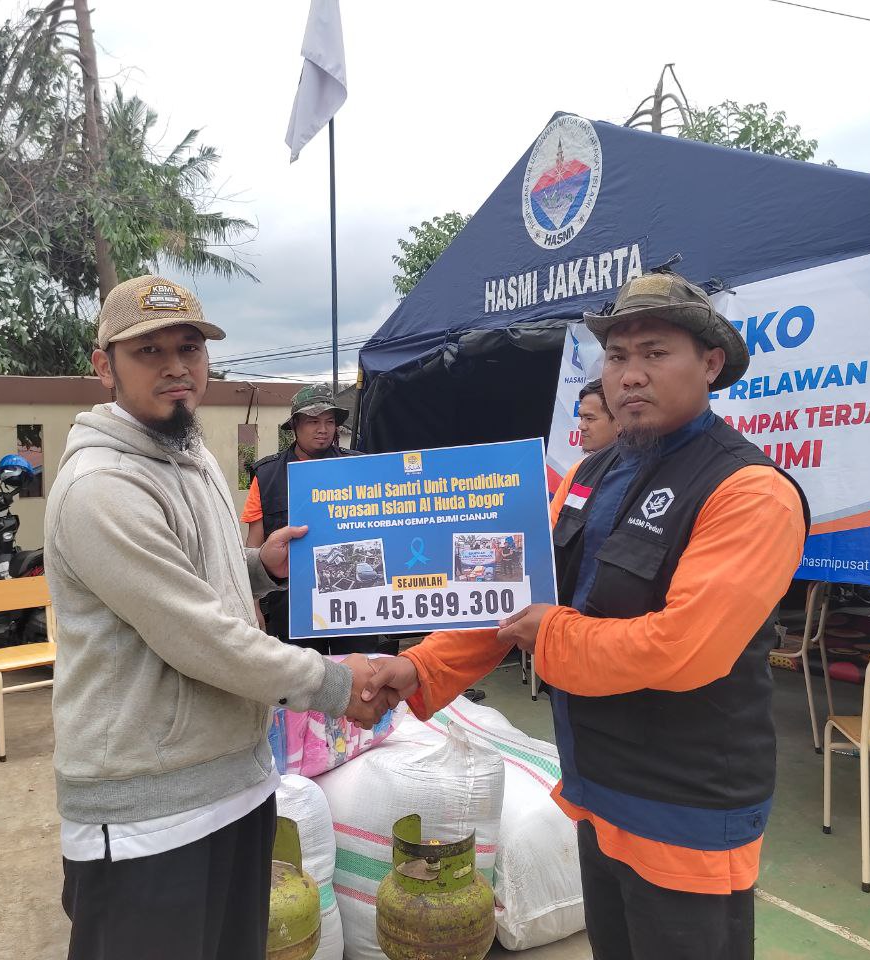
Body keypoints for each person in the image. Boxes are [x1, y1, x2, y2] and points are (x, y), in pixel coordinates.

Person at [364, 269, 809, 960]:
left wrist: (552, 633)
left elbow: (684, 649)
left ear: (710, 363)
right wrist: (420, 668)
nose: (631, 374)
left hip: (686, 809)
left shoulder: (749, 492)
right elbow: (508, 592)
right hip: (597, 790)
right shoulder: (587, 475)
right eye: (618, 355)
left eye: (655, 353)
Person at [45, 275, 389, 960]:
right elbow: (197, 636)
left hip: (235, 784)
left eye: (190, 347)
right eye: (149, 351)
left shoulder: (192, 454)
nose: (176, 366)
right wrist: (335, 683)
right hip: (147, 817)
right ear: (105, 365)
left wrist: (261, 565)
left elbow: (197, 578)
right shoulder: (101, 488)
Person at [243, 384, 392, 654]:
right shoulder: (266, 476)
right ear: (295, 425)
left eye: (329, 421)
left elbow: (384, 529)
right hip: (292, 605)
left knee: (360, 672)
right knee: (303, 677)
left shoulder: (359, 468)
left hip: (353, 599)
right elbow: (253, 546)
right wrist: (252, 604)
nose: (323, 429)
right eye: (313, 421)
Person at [550, 378, 622, 524]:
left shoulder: (642, 474)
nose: (581, 426)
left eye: (590, 418)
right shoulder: (578, 470)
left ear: (620, 422)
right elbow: (552, 530)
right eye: (581, 417)